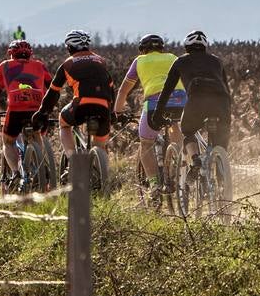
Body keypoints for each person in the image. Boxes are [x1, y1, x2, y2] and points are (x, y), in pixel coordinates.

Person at [149, 30, 232, 183]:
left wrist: (157, 115)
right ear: (205, 46)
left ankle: (195, 161)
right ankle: (222, 181)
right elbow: (226, 88)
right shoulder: (216, 61)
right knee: (221, 142)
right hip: (221, 103)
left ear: (187, 46)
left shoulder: (180, 61)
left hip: (197, 102)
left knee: (187, 131)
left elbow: (167, 91)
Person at [114, 33, 186, 194]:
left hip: (155, 103)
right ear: (161, 48)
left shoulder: (139, 61)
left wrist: (117, 111)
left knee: (146, 143)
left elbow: (124, 90)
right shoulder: (173, 57)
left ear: (142, 50)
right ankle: (181, 163)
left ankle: (154, 185)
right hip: (181, 100)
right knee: (174, 124)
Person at [0, 39, 54, 185]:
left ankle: (16, 174)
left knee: (8, 142)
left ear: (11, 54)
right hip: (38, 109)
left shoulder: (5, 66)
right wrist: (48, 108)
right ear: (30, 55)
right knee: (37, 135)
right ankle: (41, 168)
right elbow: (52, 87)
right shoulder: (40, 66)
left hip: (16, 110)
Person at [32, 30, 117, 159]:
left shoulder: (67, 64)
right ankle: (100, 170)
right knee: (99, 145)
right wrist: (112, 112)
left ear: (69, 47)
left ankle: (74, 161)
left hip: (81, 105)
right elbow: (111, 89)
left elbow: (53, 92)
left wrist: (43, 112)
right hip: (103, 106)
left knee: (64, 122)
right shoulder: (101, 61)